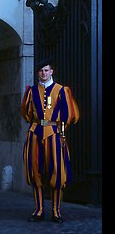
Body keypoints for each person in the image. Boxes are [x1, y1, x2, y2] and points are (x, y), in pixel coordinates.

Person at [21, 58, 80, 223]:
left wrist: (60, 132)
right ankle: (38, 210)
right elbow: (26, 112)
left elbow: (69, 114)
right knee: (35, 171)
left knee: (57, 172)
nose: (43, 73)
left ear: (51, 71)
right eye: (41, 71)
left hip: (54, 133)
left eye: (46, 70)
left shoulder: (61, 90)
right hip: (35, 133)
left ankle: (56, 211)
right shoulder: (31, 91)